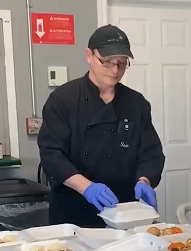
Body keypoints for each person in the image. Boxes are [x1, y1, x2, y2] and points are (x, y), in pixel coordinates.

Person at [38, 24, 165, 228]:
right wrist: (87, 187)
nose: (115, 71)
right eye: (107, 63)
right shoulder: (63, 100)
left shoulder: (136, 103)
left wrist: (145, 181)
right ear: (89, 56)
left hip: (123, 210)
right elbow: (52, 155)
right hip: (73, 209)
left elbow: (151, 152)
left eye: (122, 64)